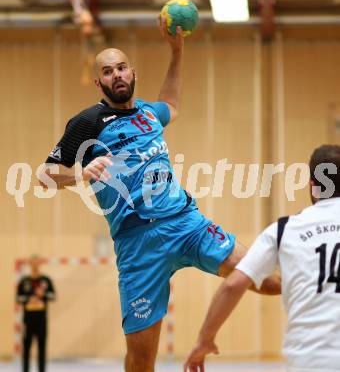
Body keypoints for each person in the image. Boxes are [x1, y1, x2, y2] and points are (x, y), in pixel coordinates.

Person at [39, 20, 280, 372]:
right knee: (141, 361)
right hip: (138, 245)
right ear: (98, 83)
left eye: (121, 68)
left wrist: (177, 51)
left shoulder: (151, 114)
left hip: (187, 224)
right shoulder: (87, 123)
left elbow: (172, 103)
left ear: (133, 73)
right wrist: (78, 173)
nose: (116, 75)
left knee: (267, 279)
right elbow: (43, 176)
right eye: (107, 72)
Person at [184, 144, 340, 372]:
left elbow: (233, 284)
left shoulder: (285, 229)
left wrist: (204, 339)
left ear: (312, 185)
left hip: (309, 360)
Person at [16, 255, 56, 372]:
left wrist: (43, 295)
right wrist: (30, 298)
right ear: (29, 264)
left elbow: (53, 296)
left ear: (39, 263)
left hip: (41, 320)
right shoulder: (24, 281)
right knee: (26, 348)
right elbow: (18, 298)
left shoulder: (46, 280)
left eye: (36, 262)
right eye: (32, 262)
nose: (34, 264)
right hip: (27, 320)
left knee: (41, 348)